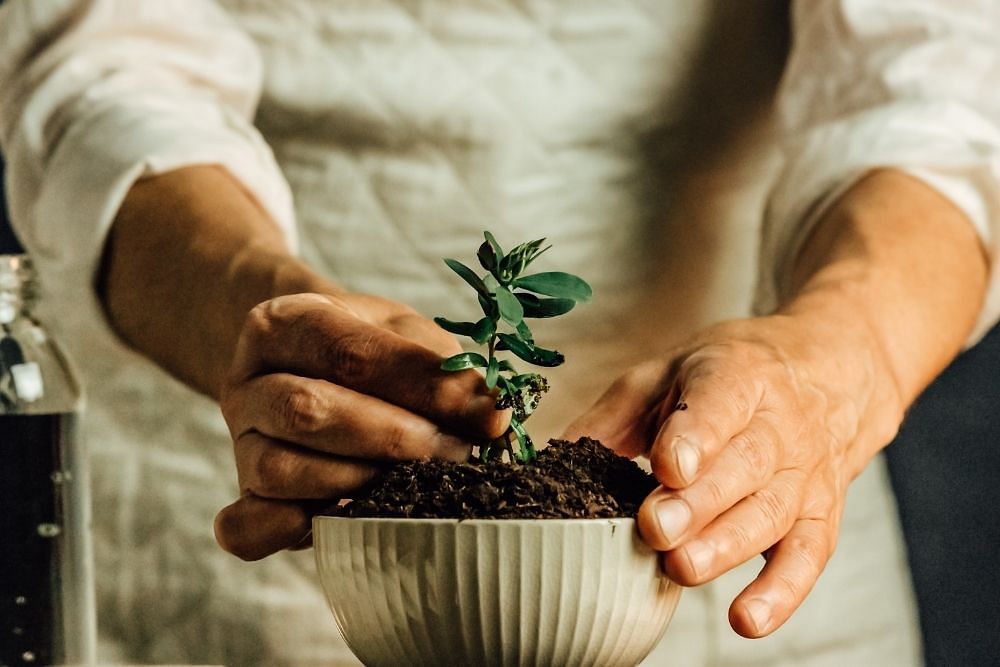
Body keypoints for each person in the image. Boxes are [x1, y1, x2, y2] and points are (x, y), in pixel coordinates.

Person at [2, 1, 998, 665]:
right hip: (249, 461)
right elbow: (99, 67)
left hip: (734, 496)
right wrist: (245, 304)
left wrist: (835, 355)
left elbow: (938, 88)